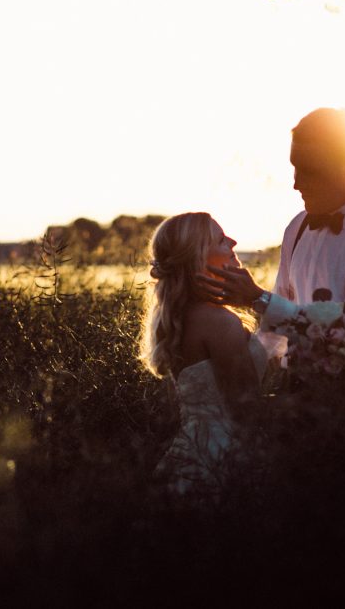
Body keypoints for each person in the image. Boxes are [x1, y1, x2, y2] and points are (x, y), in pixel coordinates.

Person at [198, 108, 345, 379]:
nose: (296, 183)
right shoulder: (297, 227)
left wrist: (258, 299)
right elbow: (274, 335)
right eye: (294, 167)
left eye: (309, 171)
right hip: (295, 392)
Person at [140, 212, 270, 499]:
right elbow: (247, 408)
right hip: (223, 455)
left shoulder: (180, 317)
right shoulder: (219, 322)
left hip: (190, 451)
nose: (233, 242)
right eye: (222, 240)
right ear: (199, 256)